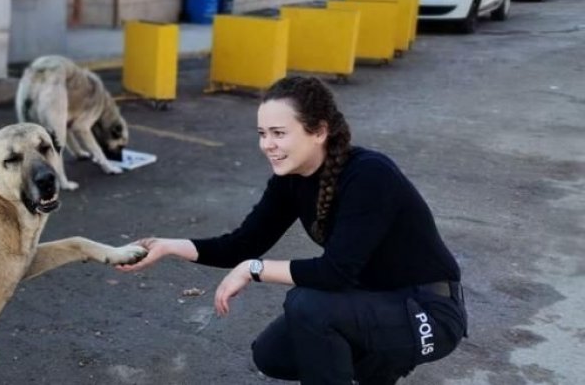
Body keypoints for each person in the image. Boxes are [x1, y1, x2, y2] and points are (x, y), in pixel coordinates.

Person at [117, 76, 467, 384]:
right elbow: (242, 244)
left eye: (279, 133)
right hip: (372, 302)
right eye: (262, 134)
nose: (266, 144)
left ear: (319, 131)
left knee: (308, 306)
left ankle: (383, 363)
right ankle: (375, 369)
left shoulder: (370, 175)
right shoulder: (290, 181)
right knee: (272, 354)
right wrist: (170, 246)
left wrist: (253, 270)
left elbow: (334, 273)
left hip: (428, 311)